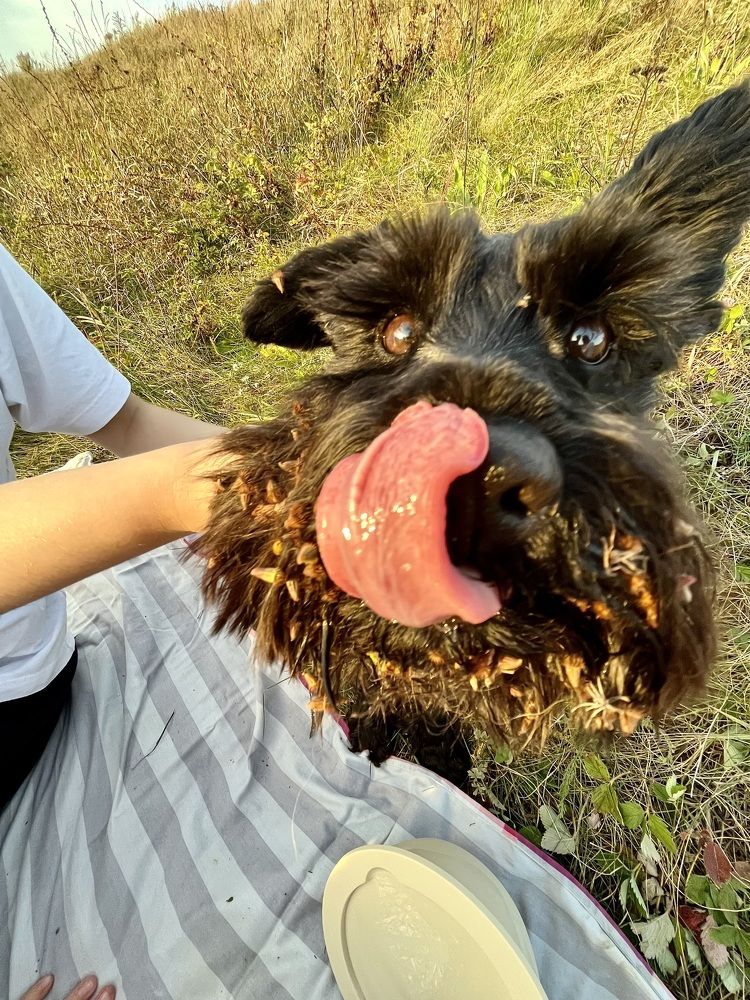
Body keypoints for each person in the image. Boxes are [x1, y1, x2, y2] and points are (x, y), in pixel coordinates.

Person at [0, 242, 228, 999]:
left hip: (28, 682)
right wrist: (176, 493)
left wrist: (300, 474)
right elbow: (163, 479)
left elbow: (126, 423)